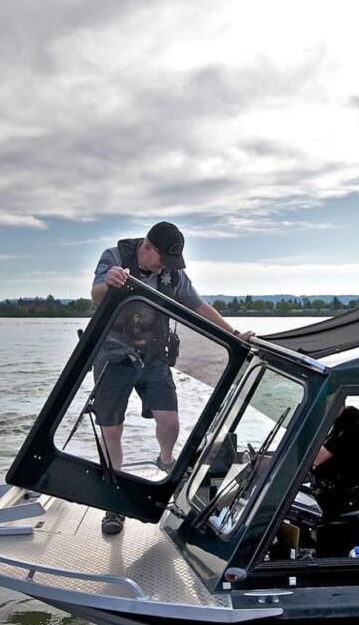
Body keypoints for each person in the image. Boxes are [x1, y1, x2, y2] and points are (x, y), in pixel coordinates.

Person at [91, 221, 251, 535]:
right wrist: (110, 282)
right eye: (162, 259)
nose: (166, 267)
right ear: (147, 247)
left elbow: (198, 305)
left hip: (153, 356)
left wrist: (234, 335)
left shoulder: (172, 273)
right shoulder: (115, 256)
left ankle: (165, 460)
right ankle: (114, 504)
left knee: (170, 421)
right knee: (111, 429)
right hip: (113, 356)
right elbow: (96, 296)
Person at [310, 405, 359, 518]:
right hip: (342, 481)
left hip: (344, 492)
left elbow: (315, 459)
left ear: (340, 404)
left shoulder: (349, 427)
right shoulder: (352, 418)